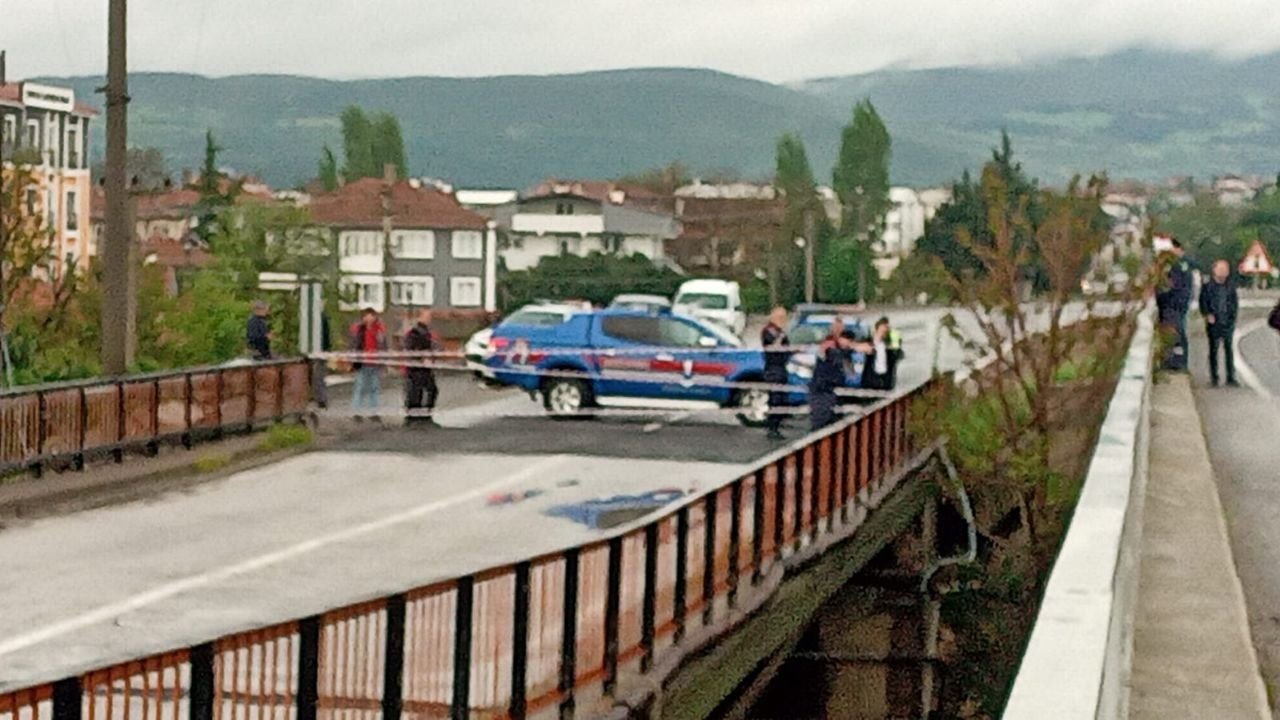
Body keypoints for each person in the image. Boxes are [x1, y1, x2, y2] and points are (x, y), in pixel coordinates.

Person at [809, 317, 856, 431]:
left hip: (836, 385)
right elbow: (825, 355)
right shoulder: (828, 343)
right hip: (824, 386)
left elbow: (849, 369)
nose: (838, 330)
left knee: (836, 418)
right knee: (822, 418)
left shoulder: (843, 347)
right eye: (835, 328)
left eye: (840, 328)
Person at [1198, 258, 1239, 387]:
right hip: (1213, 322)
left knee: (1229, 350)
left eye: (1225, 269)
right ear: (1214, 270)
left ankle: (1230, 377)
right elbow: (1203, 302)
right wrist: (1207, 314)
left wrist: (1232, 318)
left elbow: (1234, 303)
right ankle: (1214, 378)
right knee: (1213, 350)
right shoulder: (1208, 286)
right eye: (1220, 269)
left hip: (1227, 321)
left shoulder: (1230, 286)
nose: (1223, 271)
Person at [1155, 239, 1194, 371]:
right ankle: (1173, 361)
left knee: (1177, 334)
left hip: (1174, 304)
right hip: (1172, 304)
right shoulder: (1175, 264)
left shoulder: (1180, 265)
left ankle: (1178, 362)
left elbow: (1174, 287)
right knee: (1175, 334)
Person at [349, 307, 388, 421]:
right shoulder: (358, 329)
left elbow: (383, 346)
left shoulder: (379, 330)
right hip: (362, 363)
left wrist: (384, 362)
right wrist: (352, 360)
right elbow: (353, 345)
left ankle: (373, 412)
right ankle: (356, 412)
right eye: (367, 316)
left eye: (371, 316)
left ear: (375, 317)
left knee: (374, 388)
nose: (369, 318)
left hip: (375, 363)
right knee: (360, 387)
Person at [403, 309, 440, 426]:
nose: (429, 319)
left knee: (431, 390)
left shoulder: (427, 332)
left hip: (426, 368)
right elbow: (411, 349)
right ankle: (412, 417)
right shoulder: (414, 332)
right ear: (420, 317)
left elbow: (431, 347)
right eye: (427, 316)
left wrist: (432, 356)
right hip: (416, 368)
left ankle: (425, 415)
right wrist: (422, 357)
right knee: (415, 392)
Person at [760, 306, 791, 440]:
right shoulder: (769, 331)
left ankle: (777, 425)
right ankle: (772, 427)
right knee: (775, 399)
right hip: (773, 369)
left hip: (781, 367)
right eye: (781, 317)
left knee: (782, 399)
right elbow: (772, 347)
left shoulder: (780, 331)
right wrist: (781, 337)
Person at [856, 317, 904, 391]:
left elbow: (900, 355)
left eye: (886, 330)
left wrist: (895, 344)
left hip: (886, 383)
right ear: (876, 330)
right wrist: (874, 343)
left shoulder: (890, 346)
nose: (883, 332)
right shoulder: (869, 342)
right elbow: (858, 348)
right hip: (870, 382)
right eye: (881, 330)